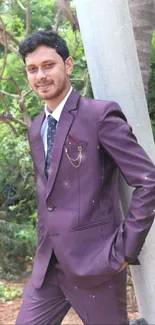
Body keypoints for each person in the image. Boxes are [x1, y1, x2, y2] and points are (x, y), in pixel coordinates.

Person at [16, 30, 155, 325]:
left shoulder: (99, 116)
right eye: (32, 69)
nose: (40, 75)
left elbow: (148, 181)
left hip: (97, 264)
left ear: (68, 65)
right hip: (49, 268)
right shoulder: (36, 128)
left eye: (48, 65)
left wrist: (125, 251)